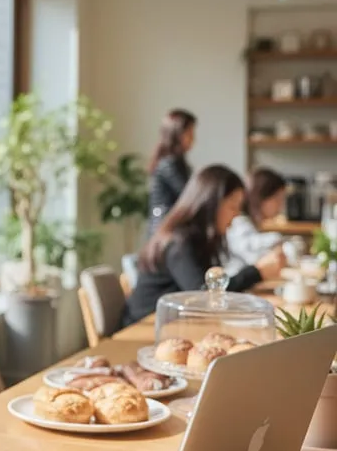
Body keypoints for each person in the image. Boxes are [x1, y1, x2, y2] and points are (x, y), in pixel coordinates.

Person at [121, 164, 285, 327]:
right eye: (232, 207)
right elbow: (206, 297)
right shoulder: (179, 243)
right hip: (144, 327)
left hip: (173, 323)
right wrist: (257, 272)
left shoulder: (198, 238)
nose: (236, 215)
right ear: (211, 204)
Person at [225, 167, 286, 274]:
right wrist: (278, 239)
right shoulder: (239, 223)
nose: (281, 206)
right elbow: (253, 256)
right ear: (260, 197)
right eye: (277, 199)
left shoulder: (250, 223)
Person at [146, 109, 196, 237]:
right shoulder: (169, 164)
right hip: (164, 231)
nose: (193, 138)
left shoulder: (176, 162)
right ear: (177, 134)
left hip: (168, 228)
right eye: (189, 133)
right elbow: (188, 195)